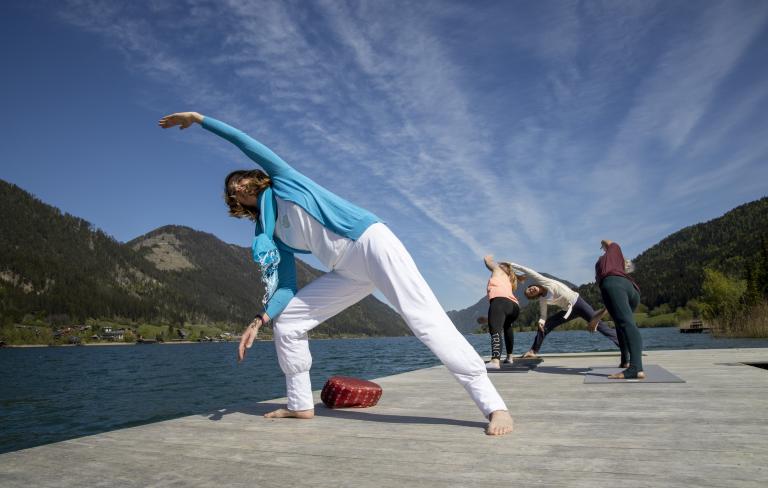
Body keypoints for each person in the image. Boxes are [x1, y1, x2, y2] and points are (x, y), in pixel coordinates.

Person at [158, 111, 514, 435]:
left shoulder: (284, 181)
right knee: (290, 322)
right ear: (235, 202)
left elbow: (246, 142)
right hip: (346, 269)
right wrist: (259, 319)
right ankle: (299, 405)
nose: (236, 185)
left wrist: (201, 121)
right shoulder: (268, 236)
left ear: (255, 178)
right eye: (230, 188)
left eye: (240, 179)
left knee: (423, 320)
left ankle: (494, 406)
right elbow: (285, 286)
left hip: (371, 242)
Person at [506, 262, 628, 366]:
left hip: (578, 303)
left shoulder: (544, 281)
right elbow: (543, 316)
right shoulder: (543, 300)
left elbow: (526, 270)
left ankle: (625, 346)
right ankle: (533, 350)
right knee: (545, 325)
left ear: (534, 285)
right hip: (568, 311)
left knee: (600, 326)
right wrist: (540, 322)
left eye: (530, 289)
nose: (531, 291)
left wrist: (510, 265)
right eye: (530, 293)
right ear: (535, 296)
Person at [593, 240, 644, 379]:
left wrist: (603, 243)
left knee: (626, 324)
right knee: (621, 324)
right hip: (630, 290)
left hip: (614, 284)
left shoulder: (613, 252)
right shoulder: (604, 267)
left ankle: (636, 368)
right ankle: (625, 361)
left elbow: (608, 242)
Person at [483, 255, 523, 369]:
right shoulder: (509, 279)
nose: (498, 265)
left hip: (500, 302)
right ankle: (510, 357)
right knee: (507, 327)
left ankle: (495, 361)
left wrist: (487, 258)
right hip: (514, 307)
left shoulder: (499, 270)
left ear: (503, 267)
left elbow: (488, 262)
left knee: (495, 328)